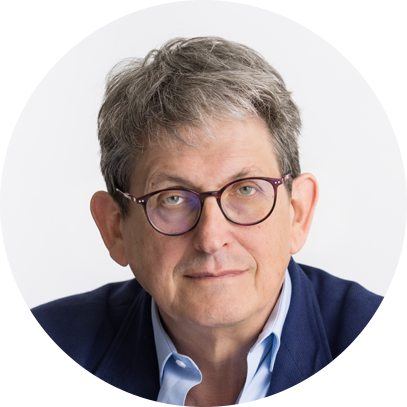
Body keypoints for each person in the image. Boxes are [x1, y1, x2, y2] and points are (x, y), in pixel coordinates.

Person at [1, 37, 406, 407]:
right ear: (115, 228)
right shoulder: (33, 368)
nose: (211, 238)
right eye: (173, 198)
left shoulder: (393, 366)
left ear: (297, 212)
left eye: (245, 189)